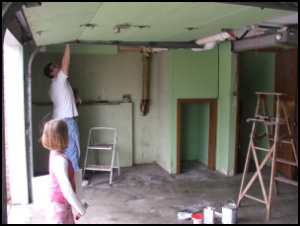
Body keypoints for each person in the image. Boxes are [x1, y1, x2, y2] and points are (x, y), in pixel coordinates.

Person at [43, 44, 88, 187]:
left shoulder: (54, 86)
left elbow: (62, 101)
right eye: (54, 67)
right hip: (67, 120)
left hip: (62, 119)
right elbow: (65, 62)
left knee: (67, 148)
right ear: (52, 73)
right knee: (72, 148)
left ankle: (70, 177)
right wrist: (68, 44)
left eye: (56, 65)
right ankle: (76, 180)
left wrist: (75, 101)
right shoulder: (59, 81)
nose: (58, 66)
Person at [41, 119, 87, 224]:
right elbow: (66, 189)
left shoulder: (56, 154)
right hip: (58, 206)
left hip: (63, 204)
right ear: (62, 137)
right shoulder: (60, 160)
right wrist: (80, 208)